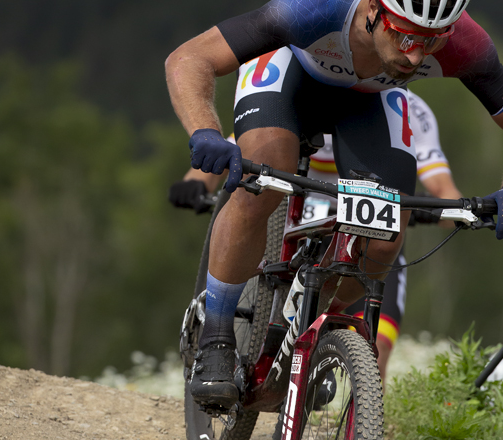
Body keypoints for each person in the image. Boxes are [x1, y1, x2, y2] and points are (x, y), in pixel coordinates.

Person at [165, 0, 503, 408]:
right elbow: (189, 58)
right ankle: (217, 338)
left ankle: (310, 332)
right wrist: (204, 130)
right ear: (374, 8)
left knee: (387, 233)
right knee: (265, 176)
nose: (416, 54)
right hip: (292, 72)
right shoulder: (320, 3)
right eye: (407, 34)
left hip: (370, 98)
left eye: (433, 40)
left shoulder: (461, 43)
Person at [169, 91, 463, 385]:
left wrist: (444, 210)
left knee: (376, 349)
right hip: (296, 222)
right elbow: (239, 148)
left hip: (362, 230)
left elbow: (444, 189)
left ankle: (362, 427)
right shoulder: (302, 87)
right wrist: (195, 182)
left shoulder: (409, 109)